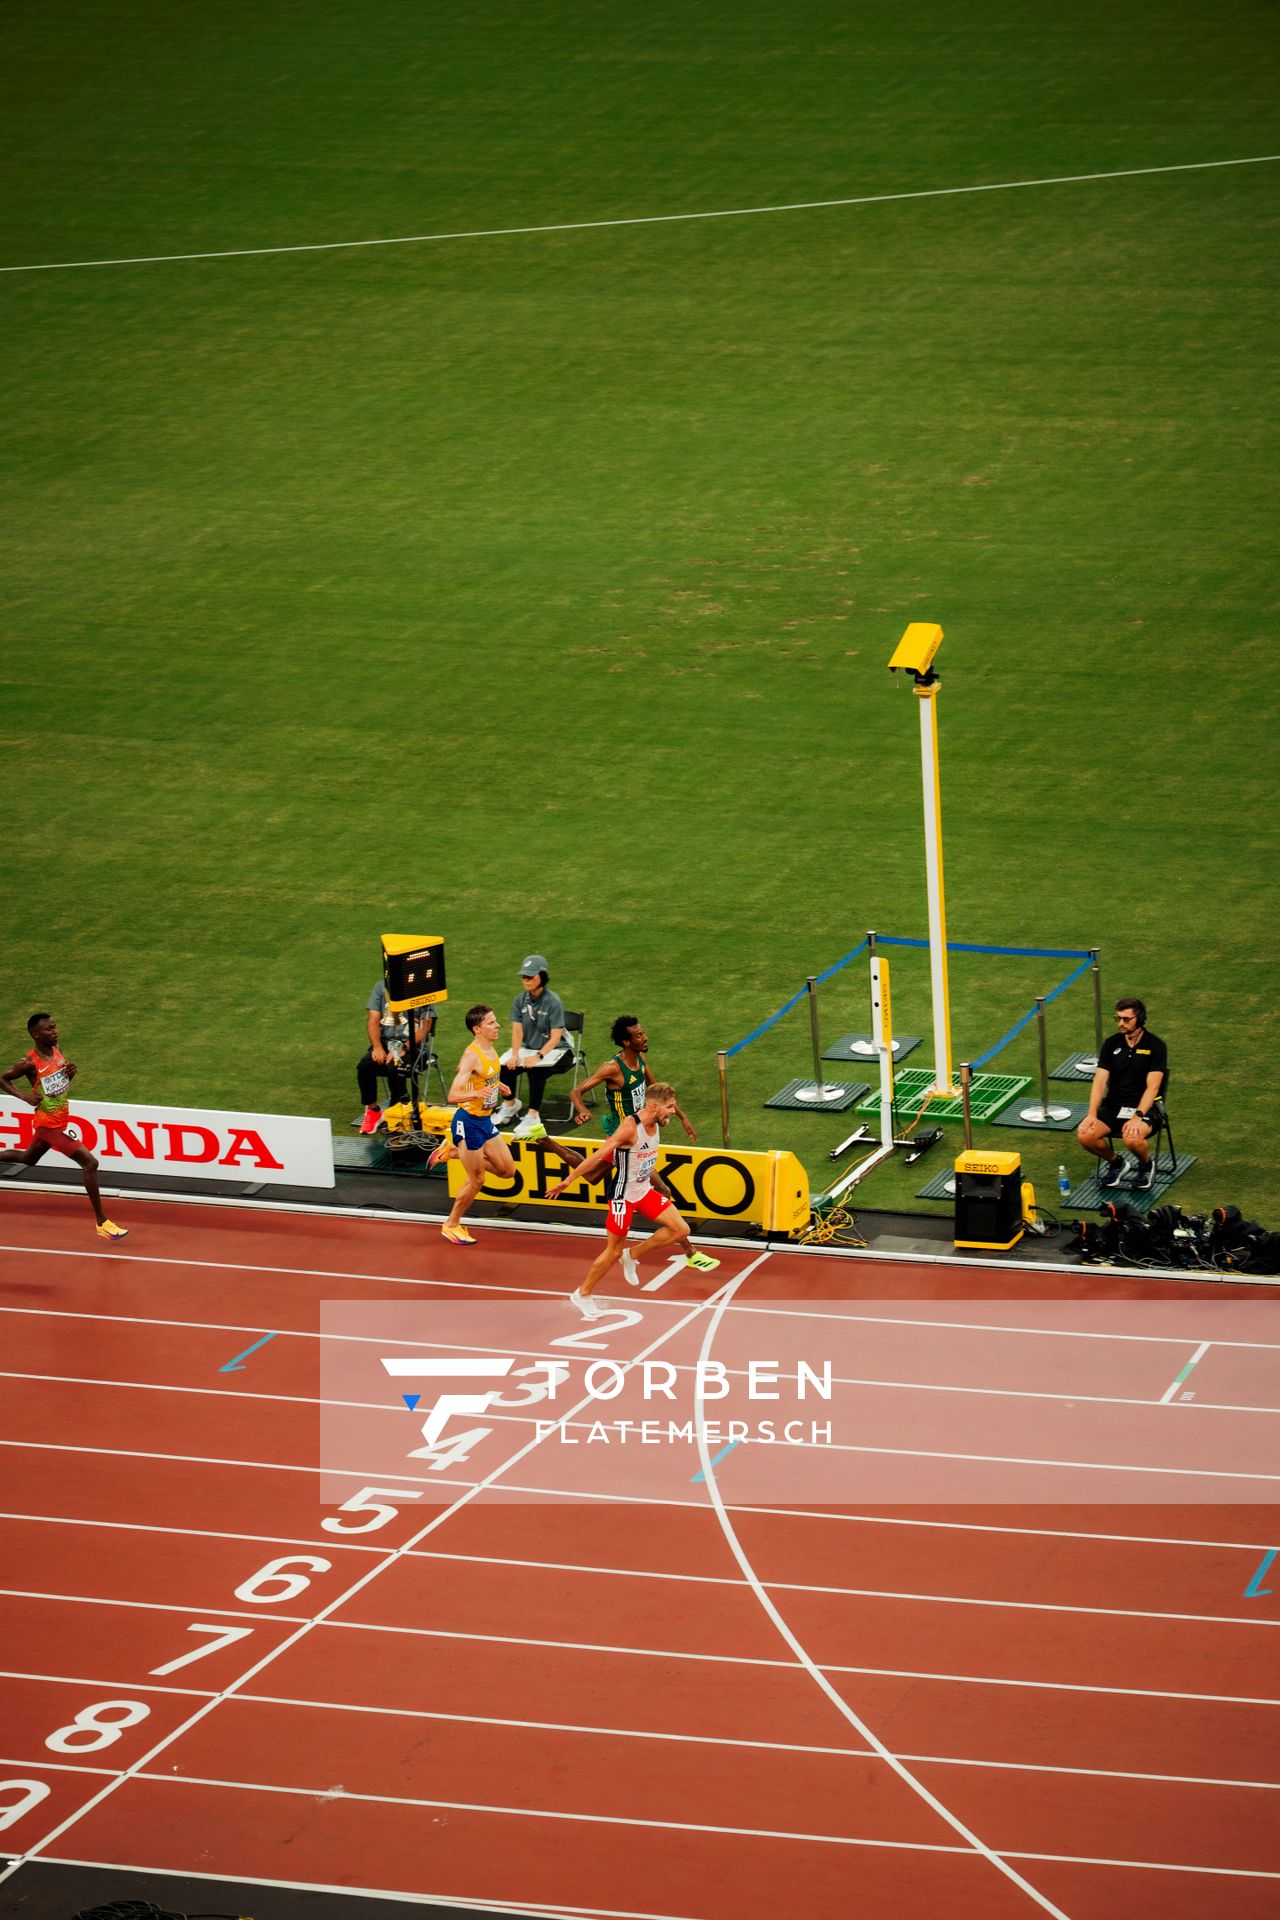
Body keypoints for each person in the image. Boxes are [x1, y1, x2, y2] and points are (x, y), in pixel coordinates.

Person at [546, 1084, 718, 1318]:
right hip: (622, 1196)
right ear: (654, 1106)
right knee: (612, 1252)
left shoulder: (659, 1119)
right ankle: (583, 1293)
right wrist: (569, 1180)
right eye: (669, 1107)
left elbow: (671, 1111)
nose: (672, 1112)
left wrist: (684, 1119)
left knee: (680, 1229)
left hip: (643, 1190)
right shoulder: (630, 1128)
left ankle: (633, 1255)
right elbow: (599, 1155)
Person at [0, 1013, 128, 1240]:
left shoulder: (56, 1050)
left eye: (54, 1027)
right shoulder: (28, 1062)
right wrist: (24, 1097)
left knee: (28, 1159)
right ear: (36, 1034)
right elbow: (2, 1078)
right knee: (90, 1163)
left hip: (58, 1121)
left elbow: (56, 1085)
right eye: (49, 1029)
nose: (55, 1031)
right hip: (50, 1126)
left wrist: (69, 1076)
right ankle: (102, 1222)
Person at [437, 1004, 516, 1245]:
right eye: (491, 1023)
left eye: (496, 1021)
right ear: (477, 1029)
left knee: (507, 1171)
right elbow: (452, 1095)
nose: (498, 1025)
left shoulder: (491, 1049)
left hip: (485, 1121)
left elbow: (485, 1079)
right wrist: (476, 1095)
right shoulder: (471, 1055)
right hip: (468, 1123)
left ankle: (451, 1152)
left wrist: (497, 1087)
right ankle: (451, 1224)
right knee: (477, 1180)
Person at [1077, 997, 1169, 1193]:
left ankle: (1146, 1165)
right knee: (1085, 1135)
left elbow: (1152, 1088)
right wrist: (1092, 1114)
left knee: (1132, 1138)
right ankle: (1117, 1163)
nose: (1121, 1023)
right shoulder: (1111, 1044)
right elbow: (1100, 1080)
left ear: (1139, 1018)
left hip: (1146, 1108)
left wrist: (1138, 1116)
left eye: (1126, 1019)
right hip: (1114, 1105)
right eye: (1118, 1018)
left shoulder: (1156, 1046)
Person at [570, 1014, 698, 1144]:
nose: (645, 1038)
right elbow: (575, 1092)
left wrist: (683, 1118)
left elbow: (659, 1094)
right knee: (599, 1164)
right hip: (621, 1134)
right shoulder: (612, 1069)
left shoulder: (640, 1058)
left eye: (643, 1033)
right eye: (639, 1036)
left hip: (639, 1127)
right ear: (626, 1042)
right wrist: (583, 1111)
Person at [493, 954, 572, 1142]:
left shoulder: (553, 1001)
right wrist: (513, 1055)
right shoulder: (519, 1000)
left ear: (542, 977)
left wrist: (538, 1056)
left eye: (531, 977)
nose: (526, 981)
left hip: (559, 1052)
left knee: (536, 1071)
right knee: (505, 1067)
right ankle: (510, 1104)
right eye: (524, 977)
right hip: (529, 1050)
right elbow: (517, 1033)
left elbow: (555, 1037)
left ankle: (532, 1116)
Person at [356, 981, 436, 1135]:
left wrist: (403, 1048)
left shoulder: (424, 989)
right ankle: (373, 1111)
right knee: (364, 1066)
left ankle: (398, 1108)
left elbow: (426, 1026)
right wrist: (377, 1047)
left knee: (395, 1066)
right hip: (386, 1044)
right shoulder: (381, 988)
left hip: (415, 1048)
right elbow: (373, 1020)